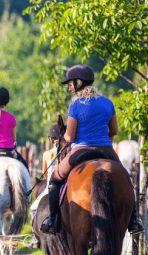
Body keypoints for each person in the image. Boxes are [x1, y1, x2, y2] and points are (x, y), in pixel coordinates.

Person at [40, 64, 143, 235]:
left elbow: (70, 137)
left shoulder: (75, 105)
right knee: (127, 180)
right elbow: (114, 131)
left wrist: (69, 137)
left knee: (54, 180)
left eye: (71, 84)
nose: (70, 88)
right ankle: (133, 221)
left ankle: (53, 221)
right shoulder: (107, 102)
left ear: (79, 83)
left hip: (80, 150)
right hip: (106, 150)